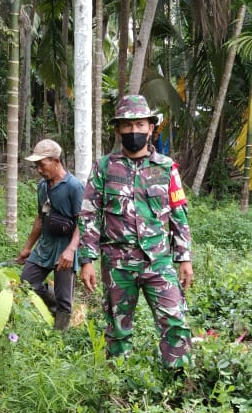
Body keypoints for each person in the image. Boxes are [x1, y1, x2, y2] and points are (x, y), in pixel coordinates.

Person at [78, 94, 193, 368]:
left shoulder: (167, 168)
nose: (134, 131)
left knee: (175, 323)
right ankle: (119, 387)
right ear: (118, 129)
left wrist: (184, 257)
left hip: (159, 262)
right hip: (117, 264)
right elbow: (88, 213)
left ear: (150, 128)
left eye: (140, 125)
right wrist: (86, 260)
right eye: (127, 126)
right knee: (118, 329)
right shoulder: (104, 168)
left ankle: (176, 382)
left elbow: (178, 214)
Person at [18, 139, 84, 330]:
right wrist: (28, 247)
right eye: (36, 165)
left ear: (56, 161)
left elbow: (83, 222)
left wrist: (71, 250)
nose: (38, 169)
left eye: (41, 164)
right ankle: (53, 305)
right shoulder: (42, 186)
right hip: (45, 245)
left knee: (65, 299)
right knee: (27, 282)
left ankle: (59, 338)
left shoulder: (74, 186)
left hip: (66, 245)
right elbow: (40, 217)